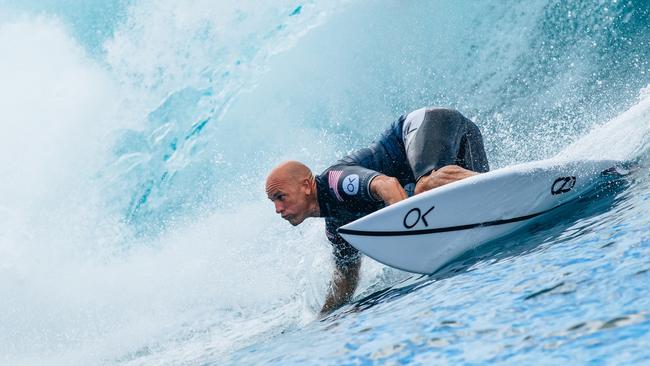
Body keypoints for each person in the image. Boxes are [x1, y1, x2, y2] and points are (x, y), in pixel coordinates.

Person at [265, 107, 489, 315]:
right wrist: (326, 317)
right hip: (458, 143)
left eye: (280, 197)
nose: (277, 209)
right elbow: (346, 276)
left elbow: (387, 186)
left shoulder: (337, 182)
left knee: (425, 187)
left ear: (305, 186)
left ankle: (514, 177)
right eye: (273, 202)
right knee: (472, 198)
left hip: (429, 124)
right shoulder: (337, 226)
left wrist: (415, 237)